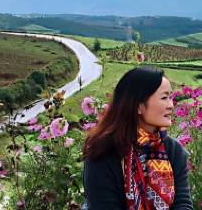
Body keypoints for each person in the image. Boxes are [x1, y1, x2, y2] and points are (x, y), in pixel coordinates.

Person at [82, 66, 192, 209]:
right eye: (164, 98)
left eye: (170, 97)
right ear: (138, 106)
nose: (171, 105)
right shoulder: (103, 153)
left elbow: (182, 204)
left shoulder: (173, 150)